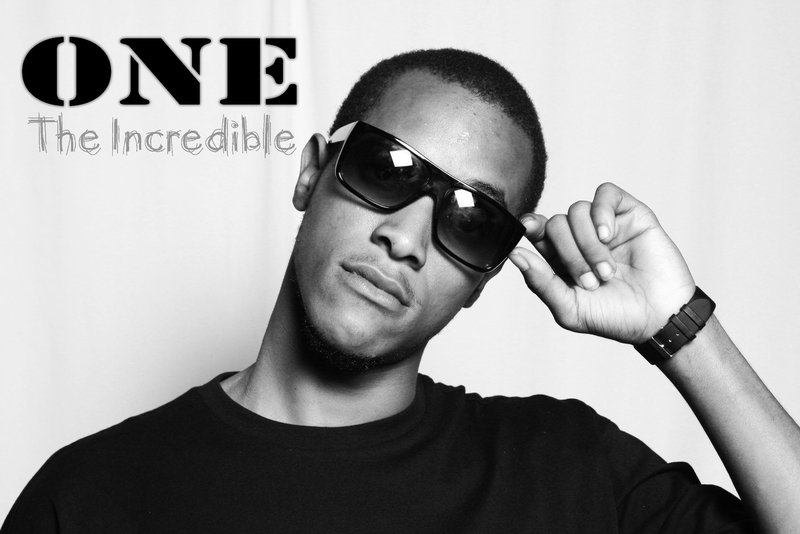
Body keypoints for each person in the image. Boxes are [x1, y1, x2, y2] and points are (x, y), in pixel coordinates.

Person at [3, 48, 799, 533]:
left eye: (472, 220)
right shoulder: (92, 496)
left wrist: (681, 328)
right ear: (312, 173)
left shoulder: (568, 470)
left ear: (488, 273)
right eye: (387, 170)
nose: (408, 238)